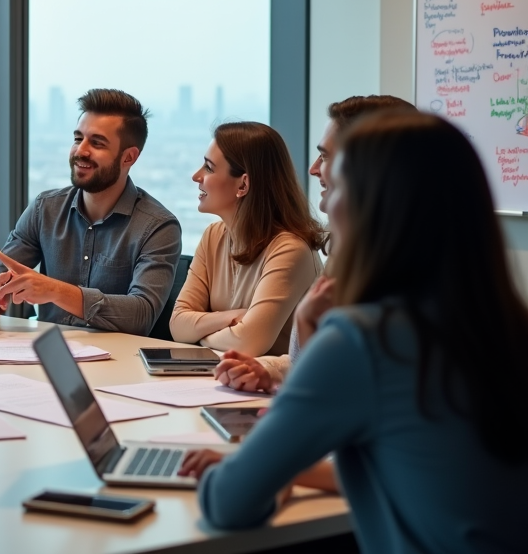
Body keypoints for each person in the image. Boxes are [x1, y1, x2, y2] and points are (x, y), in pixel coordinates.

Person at [182, 111, 528, 552]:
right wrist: (289, 464)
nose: (324, 205)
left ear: (374, 207)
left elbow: (228, 503)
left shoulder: (365, 339)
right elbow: (410, 463)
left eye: (338, 186)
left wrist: (255, 466)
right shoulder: (504, 326)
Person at [213, 95, 415, 392]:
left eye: (327, 156)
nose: (313, 168)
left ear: (366, 168)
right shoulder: (348, 251)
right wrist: (270, 371)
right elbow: (315, 364)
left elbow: (342, 389)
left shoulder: (397, 276)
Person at [0, 88, 181, 336]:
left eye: (97, 143)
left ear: (128, 157)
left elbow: (142, 314)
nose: (81, 151)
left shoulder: (158, 226)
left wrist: (55, 290)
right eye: (78, 139)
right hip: (47, 358)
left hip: (118, 366)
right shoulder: (45, 208)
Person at [169, 122, 325, 356]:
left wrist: (200, 332)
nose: (196, 176)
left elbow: (249, 342)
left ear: (243, 184)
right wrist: (232, 318)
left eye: (209, 168)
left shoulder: (289, 249)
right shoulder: (213, 236)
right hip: (228, 381)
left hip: (272, 389)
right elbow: (178, 326)